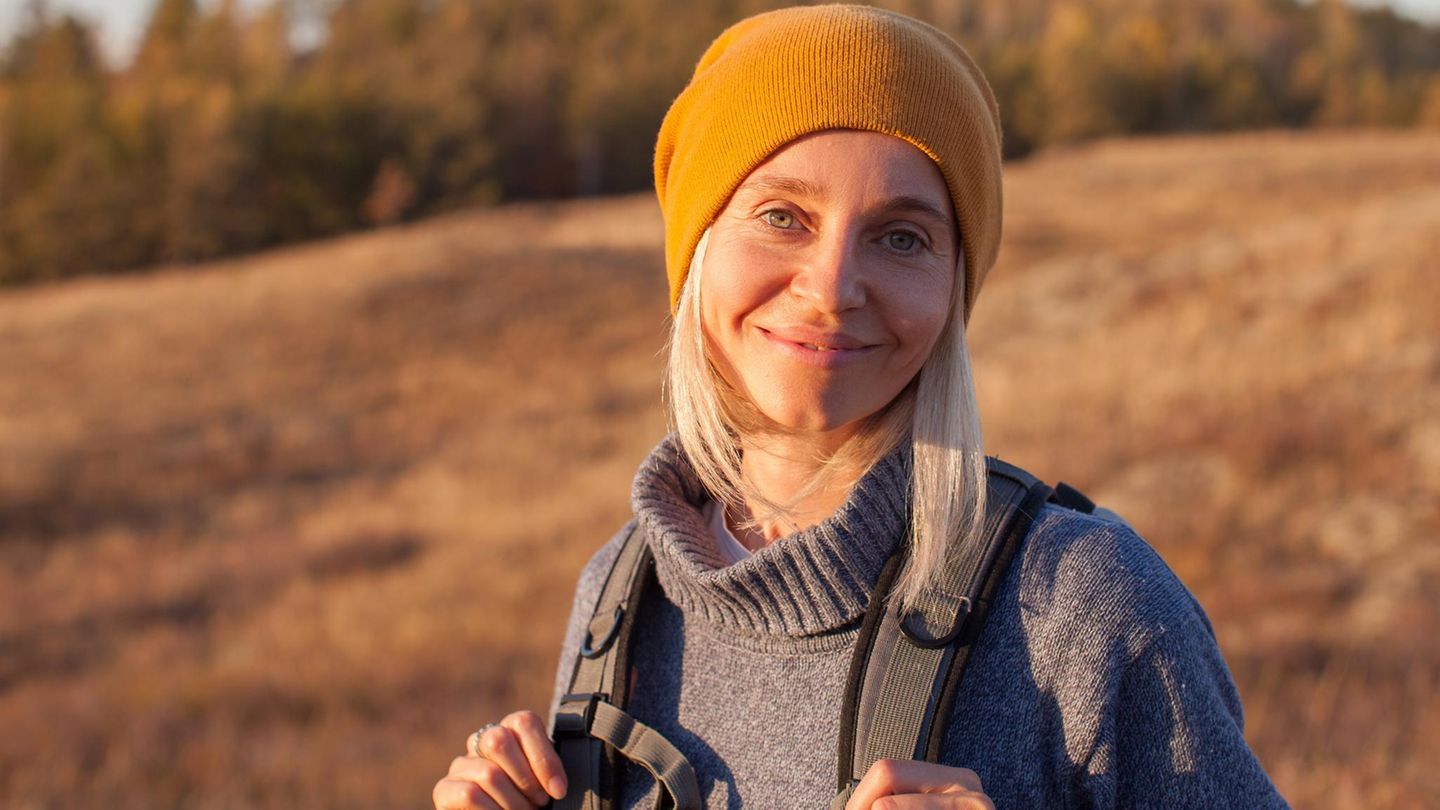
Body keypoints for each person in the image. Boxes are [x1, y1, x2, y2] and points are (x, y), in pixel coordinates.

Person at [433, 5, 1289, 809]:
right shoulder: (621, 599)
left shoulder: (1084, 603)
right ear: (697, 247)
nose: (834, 288)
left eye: (902, 237)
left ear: (954, 286)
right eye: (781, 216)